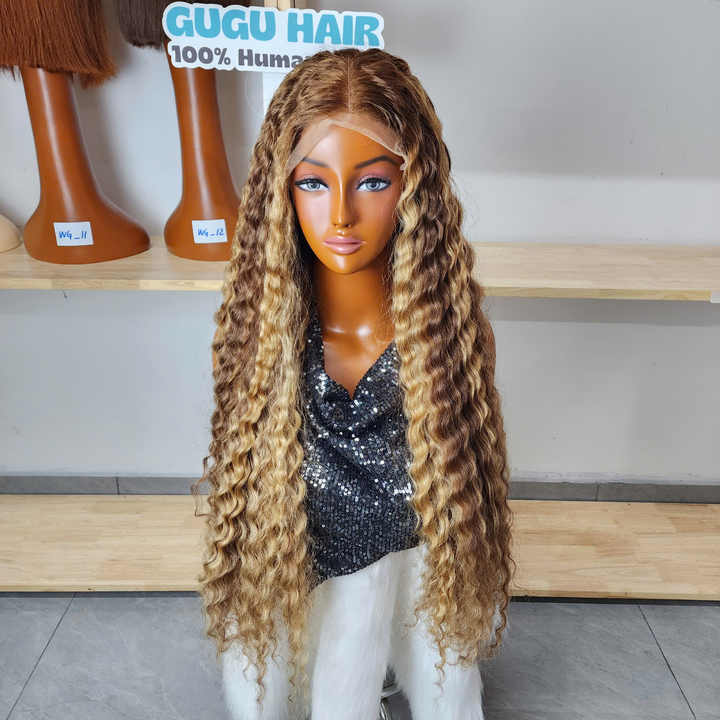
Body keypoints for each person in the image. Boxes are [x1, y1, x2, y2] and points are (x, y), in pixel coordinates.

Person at [193, 46, 516, 720]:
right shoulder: (263, 338)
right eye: (313, 183)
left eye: (371, 182)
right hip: (296, 555)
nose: (340, 215)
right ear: (281, 191)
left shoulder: (448, 339)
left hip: (411, 559)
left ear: (414, 187)